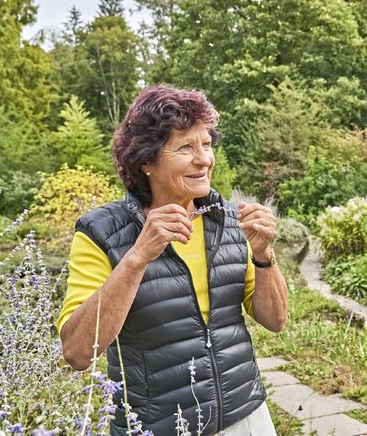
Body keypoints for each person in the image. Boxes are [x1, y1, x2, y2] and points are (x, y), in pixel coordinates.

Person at [57, 85, 288, 436]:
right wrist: (138, 256)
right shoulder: (100, 233)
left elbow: (275, 320)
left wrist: (263, 255)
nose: (204, 159)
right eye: (186, 147)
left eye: (207, 144)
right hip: (160, 426)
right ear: (146, 161)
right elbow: (77, 352)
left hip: (245, 414)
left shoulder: (228, 220)